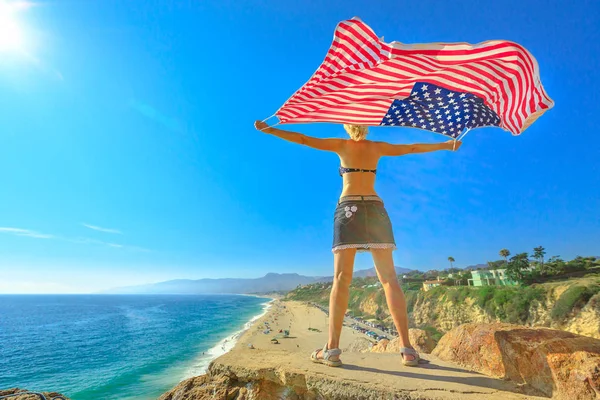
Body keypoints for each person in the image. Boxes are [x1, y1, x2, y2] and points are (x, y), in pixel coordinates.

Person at [254, 121, 462, 367]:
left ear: (347, 124)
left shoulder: (341, 145)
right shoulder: (377, 147)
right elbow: (413, 148)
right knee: (389, 279)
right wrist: (447, 145)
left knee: (341, 279)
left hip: (348, 209)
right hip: (375, 208)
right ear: (367, 125)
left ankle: (331, 350)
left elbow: (302, 139)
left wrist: (271, 130)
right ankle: (407, 350)